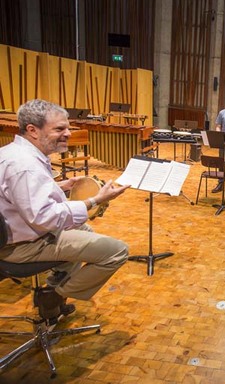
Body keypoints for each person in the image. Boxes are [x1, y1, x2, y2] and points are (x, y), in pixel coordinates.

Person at [0, 99, 130, 321]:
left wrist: (58, 186)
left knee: (84, 229)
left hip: (18, 236)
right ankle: (53, 296)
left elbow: (14, 195)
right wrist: (94, 200)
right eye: (60, 129)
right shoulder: (25, 167)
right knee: (117, 251)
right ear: (32, 130)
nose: (69, 133)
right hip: (21, 247)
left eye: (67, 127)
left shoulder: (11, 153)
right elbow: (45, 219)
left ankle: (51, 295)